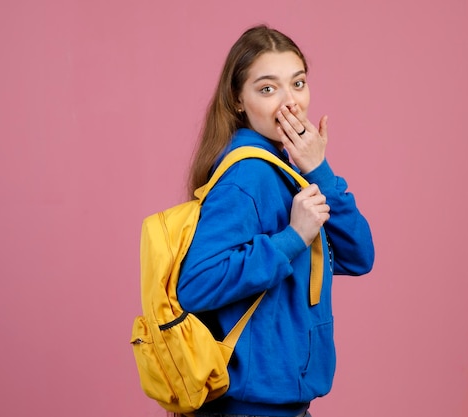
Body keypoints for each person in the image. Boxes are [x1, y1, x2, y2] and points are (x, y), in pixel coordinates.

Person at [177, 25, 375, 417]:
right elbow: (195, 285)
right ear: (238, 100)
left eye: (297, 84)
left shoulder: (285, 171)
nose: (291, 104)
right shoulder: (249, 176)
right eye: (268, 89)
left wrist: (319, 170)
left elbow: (359, 255)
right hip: (252, 408)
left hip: (285, 405)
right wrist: (292, 237)